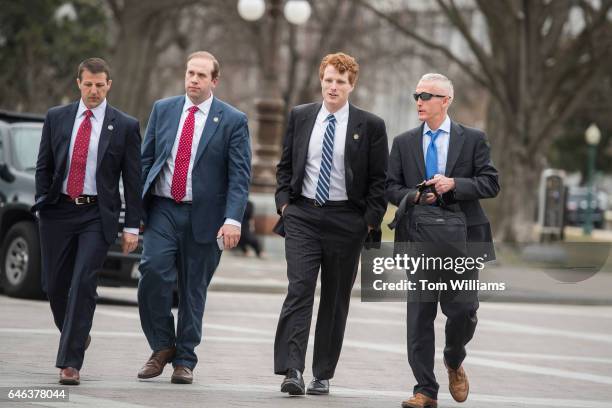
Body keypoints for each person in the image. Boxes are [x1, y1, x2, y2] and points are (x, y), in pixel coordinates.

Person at [273, 52, 388, 395]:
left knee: (335, 298)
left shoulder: (370, 126)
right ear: (320, 81)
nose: (333, 86)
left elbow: (378, 181)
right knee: (299, 289)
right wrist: (284, 206)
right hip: (303, 215)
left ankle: (322, 372)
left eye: (340, 81)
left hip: (346, 220)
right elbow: (285, 166)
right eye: (328, 80)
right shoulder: (301, 116)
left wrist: (367, 221)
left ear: (352, 85)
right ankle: (292, 369)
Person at [386, 73, 500, 408]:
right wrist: (415, 196)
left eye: (426, 95)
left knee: (463, 310)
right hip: (418, 236)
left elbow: (491, 183)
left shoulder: (473, 139)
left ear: (445, 100)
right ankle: (425, 389)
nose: (419, 101)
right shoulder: (404, 142)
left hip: (464, 238)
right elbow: (390, 187)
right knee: (420, 314)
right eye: (416, 95)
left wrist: (455, 185)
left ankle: (453, 359)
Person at [137, 51, 251, 384]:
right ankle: (161, 346)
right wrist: (135, 210)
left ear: (214, 81)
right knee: (152, 273)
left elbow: (239, 176)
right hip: (163, 210)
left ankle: (184, 359)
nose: (194, 80)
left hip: (207, 217)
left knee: (193, 290)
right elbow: (146, 161)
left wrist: (233, 219)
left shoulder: (232, 120)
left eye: (201, 75)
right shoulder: (163, 109)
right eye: (190, 73)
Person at [33, 57, 142, 385]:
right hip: (58, 212)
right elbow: (44, 166)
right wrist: (42, 204)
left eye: (100, 84)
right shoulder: (57, 117)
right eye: (88, 84)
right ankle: (77, 334)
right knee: (52, 286)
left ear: (109, 85)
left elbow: (133, 180)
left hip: (97, 214)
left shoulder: (124, 125)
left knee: (83, 283)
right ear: (78, 83)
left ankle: (70, 362)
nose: (93, 90)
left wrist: (132, 226)